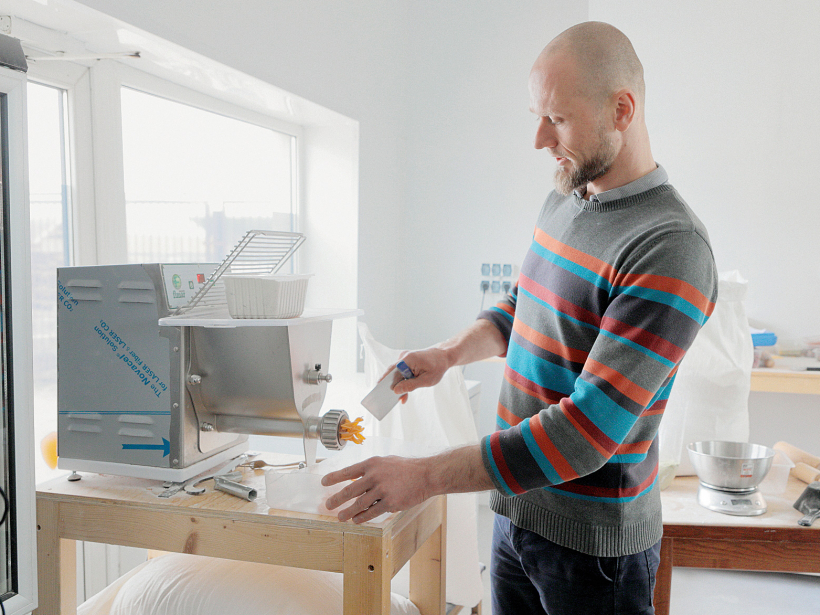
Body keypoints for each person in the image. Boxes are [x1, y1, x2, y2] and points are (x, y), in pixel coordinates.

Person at [322, 21, 718, 615]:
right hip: (515, 515)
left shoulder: (670, 246)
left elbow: (586, 435)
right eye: (536, 115)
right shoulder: (567, 193)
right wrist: (449, 354)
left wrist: (424, 476)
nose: (539, 139)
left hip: (593, 555)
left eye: (555, 119)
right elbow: (521, 307)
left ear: (622, 109)